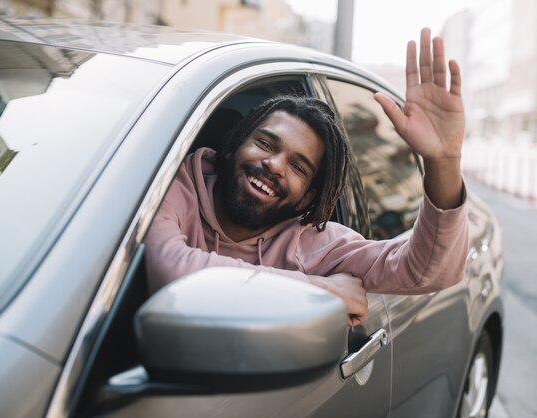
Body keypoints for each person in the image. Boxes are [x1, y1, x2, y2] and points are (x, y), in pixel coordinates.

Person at [145, 28, 468, 326]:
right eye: (265, 143)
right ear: (233, 144)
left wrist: (443, 161)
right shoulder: (172, 185)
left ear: (308, 197)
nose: (274, 165)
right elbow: (170, 271)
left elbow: (427, 272)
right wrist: (315, 288)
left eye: (299, 167)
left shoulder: (315, 245)